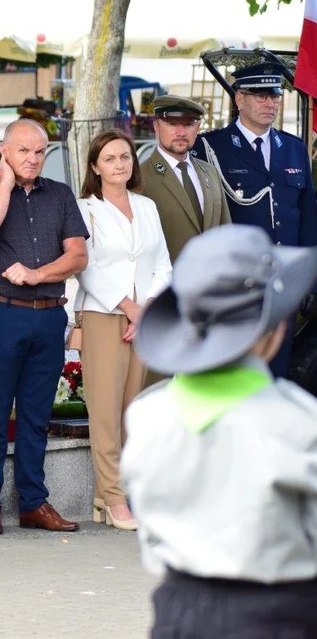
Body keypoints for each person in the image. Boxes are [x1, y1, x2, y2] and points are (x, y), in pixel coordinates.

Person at [123, 224, 317, 637]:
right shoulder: (298, 421)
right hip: (283, 612)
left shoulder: (147, 415)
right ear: (273, 329)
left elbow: (150, 531)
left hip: (180, 607)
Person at [0, 118, 88, 535]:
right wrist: (4, 184)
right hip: (4, 314)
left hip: (50, 314)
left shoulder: (61, 194)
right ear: (5, 152)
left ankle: (33, 502)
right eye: (23, 151)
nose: (33, 159)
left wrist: (36, 274)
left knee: (36, 416)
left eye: (39, 151)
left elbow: (77, 257)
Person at [192, 63, 317, 378]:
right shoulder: (211, 147)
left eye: (274, 95)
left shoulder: (293, 148)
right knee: (234, 372)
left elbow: (307, 217)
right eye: (260, 95)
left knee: (275, 369)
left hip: (283, 284)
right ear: (239, 99)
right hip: (237, 284)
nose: (270, 103)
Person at [74, 129, 171, 532]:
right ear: (95, 167)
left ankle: (118, 490)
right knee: (105, 411)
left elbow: (163, 261)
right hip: (103, 315)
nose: (120, 164)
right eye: (110, 158)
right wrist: (127, 306)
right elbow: (86, 265)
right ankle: (113, 498)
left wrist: (145, 308)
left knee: (133, 409)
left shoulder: (146, 206)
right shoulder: (85, 209)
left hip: (142, 320)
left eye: (125, 157)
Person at [139, 95, 231, 264]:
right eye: (172, 124)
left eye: (188, 124)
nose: (181, 132)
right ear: (157, 126)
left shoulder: (210, 172)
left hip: (212, 282)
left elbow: (225, 232)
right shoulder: (139, 178)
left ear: (198, 127)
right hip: (167, 284)